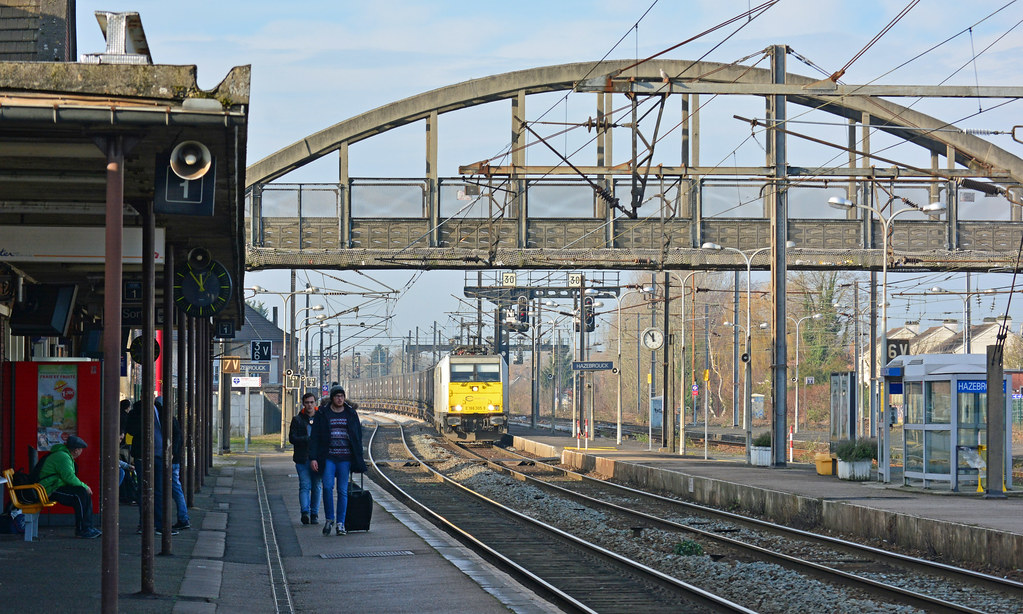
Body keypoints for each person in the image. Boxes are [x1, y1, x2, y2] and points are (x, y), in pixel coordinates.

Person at [309, 385, 366, 536]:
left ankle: (340, 523)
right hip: (328, 456)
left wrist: (359, 456)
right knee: (327, 487)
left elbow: (357, 436)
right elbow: (315, 437)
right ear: (332, 398)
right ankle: (329, 519)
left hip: (345, 457)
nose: (340, 399)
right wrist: (313, 457)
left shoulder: (351, 413)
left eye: (342, 396)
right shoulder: (323, 413)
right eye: (337, 396)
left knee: (342, 491)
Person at [126, 399, 177, 536]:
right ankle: (146, 524)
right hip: (143, 456)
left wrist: (172, 451)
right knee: (145, 490)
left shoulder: (160, 410)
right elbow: (130, 430)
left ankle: (158, 524)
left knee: (158, 490)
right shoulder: (137, 412)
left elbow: (174, 429)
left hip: (159, 455)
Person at [37, 435, 100, 539]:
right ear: (76, 450)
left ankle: (87, 527)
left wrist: (83, 487)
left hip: (55, 486)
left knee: (82, 494)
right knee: (80, 495)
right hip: (49, 489)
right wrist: (85, 486)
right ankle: (83, 530)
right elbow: (69, 477)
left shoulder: (64, 455)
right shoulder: (63, 457)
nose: (81, 452)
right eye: (81, 450)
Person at [289, 393, 322, 525]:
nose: (309, 405)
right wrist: (307, 439)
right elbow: (292, 438)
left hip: (318, 459)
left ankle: (314, 513)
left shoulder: (321, 419)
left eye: (311, 402)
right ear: (303, 404)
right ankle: (305, 513)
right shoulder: (297, 420)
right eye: (307, 402)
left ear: (315, 403)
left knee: (316, 486)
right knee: (305, 485)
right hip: (302, 458)